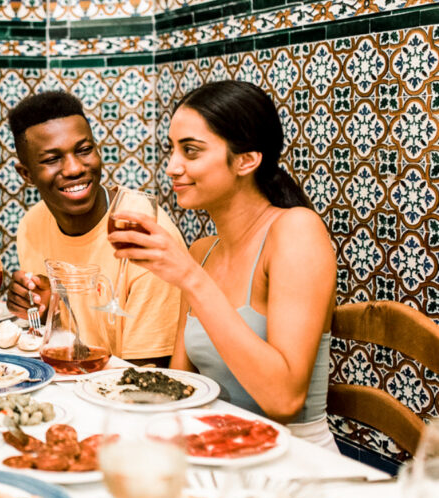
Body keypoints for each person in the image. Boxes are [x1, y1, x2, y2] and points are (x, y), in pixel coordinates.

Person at [108, 80, 337, 449]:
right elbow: (183, 388)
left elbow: (283, 402)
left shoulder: (295, 230)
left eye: (191, 151)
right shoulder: (202, 252)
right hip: (214, 446)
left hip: (292, 455)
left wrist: (190, 279)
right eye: (172, 150)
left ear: (246, 160)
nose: (172, 167)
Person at [5, 91, 185, 366]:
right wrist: (42, 310)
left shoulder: (143, 231)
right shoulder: (32, 224)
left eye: (84, 150)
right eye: (52, 159)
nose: (75, 168)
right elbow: (61, 338)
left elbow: (152, 372)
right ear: (26, 174)